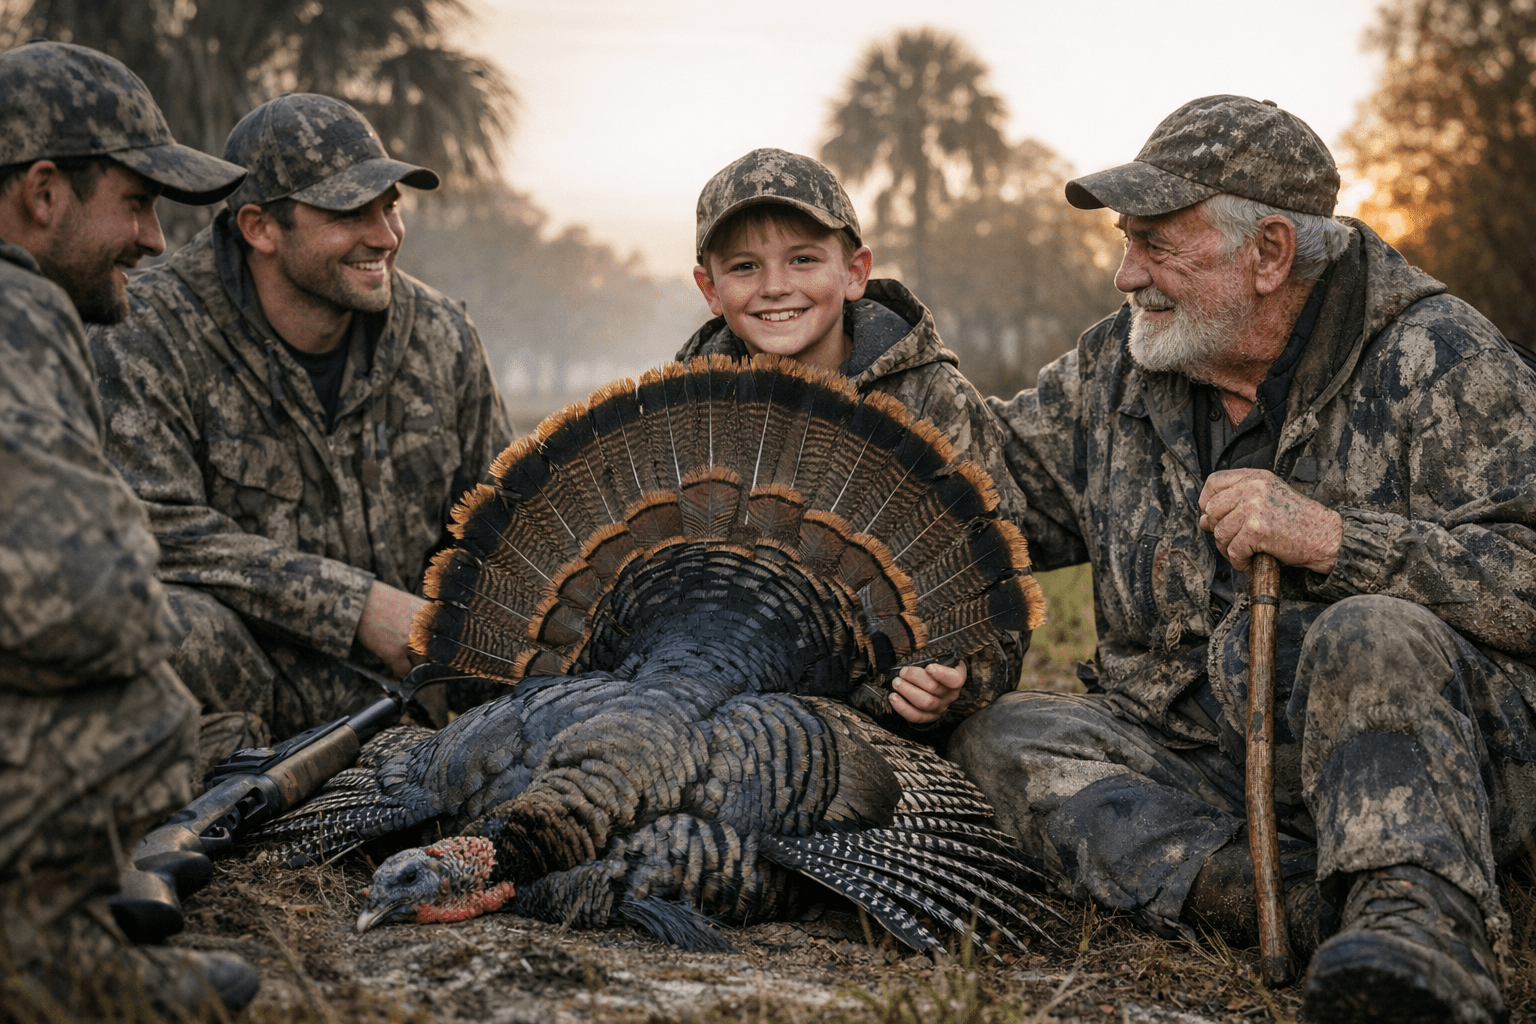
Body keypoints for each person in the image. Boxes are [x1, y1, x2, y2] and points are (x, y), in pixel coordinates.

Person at [948, 94, 1536, 1024]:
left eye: (1156, 244)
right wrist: (866, 344)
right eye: (1124, 239)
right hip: (1201, 765)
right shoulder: (1119, 368)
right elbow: (987, 493)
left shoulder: (1442, 357)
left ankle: (1424, 934)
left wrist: (1340, 542)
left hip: (1428, 763)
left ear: (1269, 253)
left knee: (1370, 631)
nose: (1124, 273)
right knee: (1004, 739)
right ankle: (1306, 908)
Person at [91, 93, 513, 755]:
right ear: (259, 227)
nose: (386, 236)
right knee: (147, 623)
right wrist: (359, 606)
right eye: (351, 211)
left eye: (390, 205)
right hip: (252, 683)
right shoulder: (145, 330)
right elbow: (155, 530)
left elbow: (501, 527)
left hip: (419, 690)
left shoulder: (442, 336)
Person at [0, 41, 260, 1017]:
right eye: (137, 202)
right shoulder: (17, 304)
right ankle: (51, 962)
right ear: (42, 193)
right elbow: (84, 593)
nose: (155, 240)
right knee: (149, 699)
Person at [678, 147, 1028, 743]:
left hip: (887, 734)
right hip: (724, 720)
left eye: (804, 259)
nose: (774, 287)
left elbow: (1000, 600)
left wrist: (954, 679)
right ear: (710, 290)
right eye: (743, 268)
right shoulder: (682, 408)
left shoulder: (935, 401)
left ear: (855, 272)